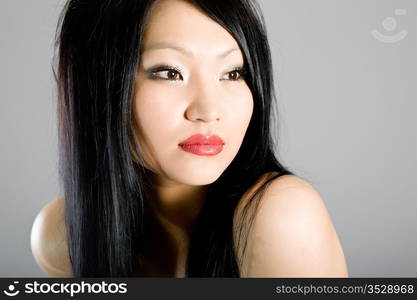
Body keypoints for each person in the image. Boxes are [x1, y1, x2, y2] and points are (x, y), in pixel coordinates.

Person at [30, 0, 349, 278]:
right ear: (97, 85)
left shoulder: (280, 214)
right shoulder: (61, 237)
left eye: (233, 73)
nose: (209, 111)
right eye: (169, 72)